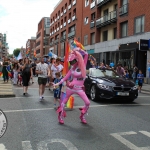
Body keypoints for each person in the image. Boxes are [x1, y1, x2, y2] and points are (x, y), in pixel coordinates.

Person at [53, 47, 90, 124]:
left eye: (73, 61)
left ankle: (82, 116)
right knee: (63, 103)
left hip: (80, 88)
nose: (72, 63)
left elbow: (86, 54)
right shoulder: (72, 69)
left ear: (77, 59)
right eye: (70, 62)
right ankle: (60, 117)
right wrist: (57, 83)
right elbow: (65, 78)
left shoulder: (83, 66)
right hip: (71, 87)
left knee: (87, 103)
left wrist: (79, 50)